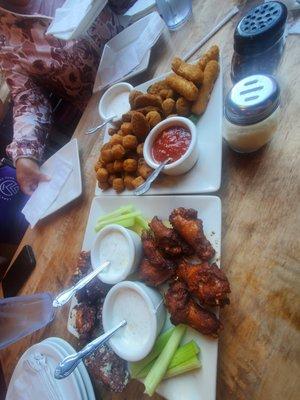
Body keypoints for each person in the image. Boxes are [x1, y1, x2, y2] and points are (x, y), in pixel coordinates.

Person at [0, 0, 136, 195]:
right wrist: (25, 152)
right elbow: (29, 98)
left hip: (145, 47)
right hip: (109, 113)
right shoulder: (5, 39)